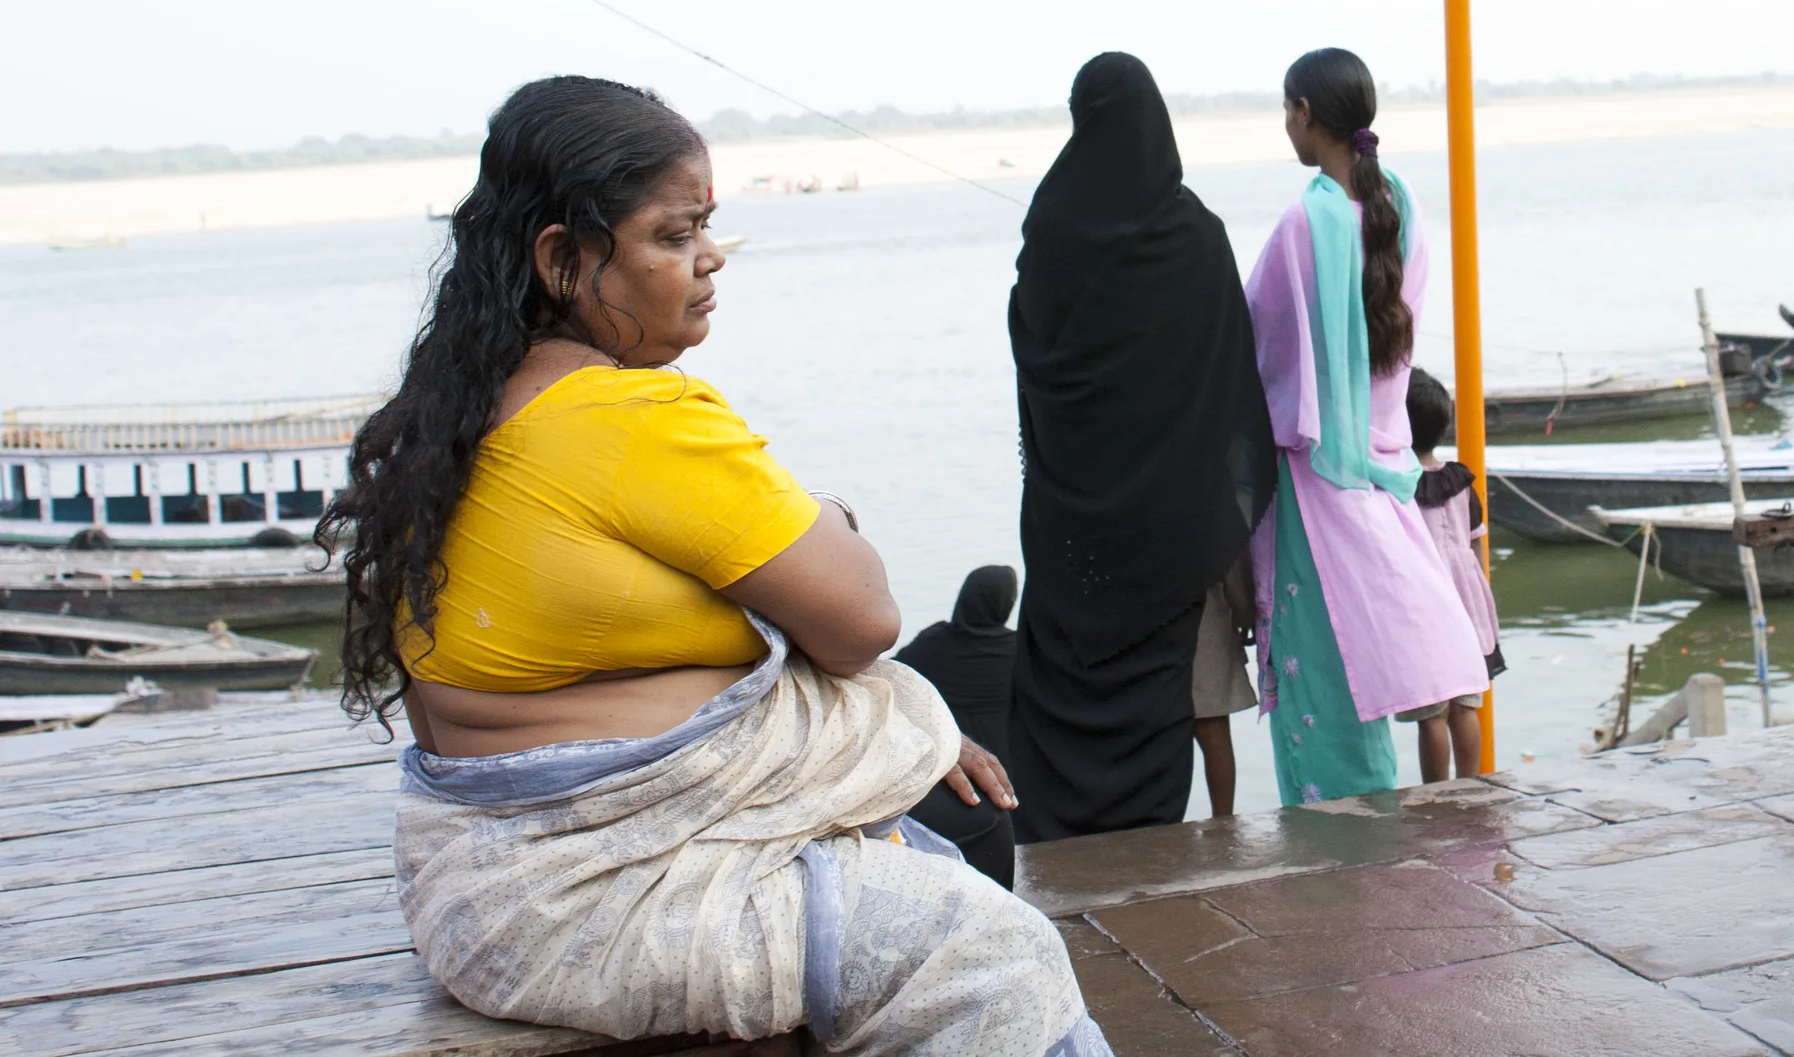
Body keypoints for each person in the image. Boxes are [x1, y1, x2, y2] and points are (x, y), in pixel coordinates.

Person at [320, 76, 1106, 1056]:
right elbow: (863, 619)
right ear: (562, 260)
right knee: (996, 954)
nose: (709, 256)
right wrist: (828, 514)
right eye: (673, 233)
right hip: (601, 888)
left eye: (705, 226)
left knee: (946, 810)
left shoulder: (457, 416)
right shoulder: (626, 415)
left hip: (482, 888)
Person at [1007, 52, 1275, 841]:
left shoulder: (1051, 226)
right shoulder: (1195, 236)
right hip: (1168, 525)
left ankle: (1053, 837)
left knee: (1066, 671)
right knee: (1159, 681)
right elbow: (1230, 372)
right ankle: (1153, 841)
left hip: (1072, 524)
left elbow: (1030, 343)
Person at [1244, 47, 1488, 805]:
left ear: (1304, 113)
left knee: (1321, 669)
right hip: (1386, 460)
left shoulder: (1304, 223)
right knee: (1378, 648)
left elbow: (1260, 341)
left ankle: (1336, 832)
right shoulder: (1401, 206)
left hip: (1318, 471)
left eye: (1287, 111)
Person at [1400, 368, 1502, 781]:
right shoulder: (1461, 480)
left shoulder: (1399, 486)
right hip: (1467, 595)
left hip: (1424, 600)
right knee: (1465, 704)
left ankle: (1435, 794)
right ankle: (1471, 784)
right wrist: (1479, 592)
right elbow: (1476, 542)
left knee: (1433, 711)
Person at [895, 565, 1021, 887]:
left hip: (946, 765)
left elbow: (894, 683)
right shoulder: (1019, 650)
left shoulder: (930, 642)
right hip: (1005, 764)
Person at [1190, 551, 1259, 816]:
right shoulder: (1208, 519)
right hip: (1204, 618)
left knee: (1164, 736)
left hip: (1149, 624)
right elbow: (1230, 561)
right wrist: (1246, 616)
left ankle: (1162, 823)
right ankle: (1224, 820)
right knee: (1213, 729)